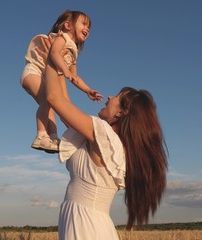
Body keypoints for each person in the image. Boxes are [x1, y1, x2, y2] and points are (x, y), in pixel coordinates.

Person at [39, 38, 168, 239]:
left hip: (87, 226)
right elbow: (63, 105)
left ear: (121, 113)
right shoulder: (109, 143)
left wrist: (51, 56)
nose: (109, 97)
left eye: (116, 97)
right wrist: (64, 66)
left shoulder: (104, 135)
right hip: (88, 222)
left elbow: (54, 99)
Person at [20, 10, 103, 154]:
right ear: (67, 25)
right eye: (83, 24)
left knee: (52, 105)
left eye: (89, 26)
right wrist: (65, 70)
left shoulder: (73, 51)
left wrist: (87, 90)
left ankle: (52, 137)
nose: (87, 28)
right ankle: (41, 135)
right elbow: (54, 54)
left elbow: (74, 76)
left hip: (43, 77)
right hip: (33, 72)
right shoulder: (62, 38)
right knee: (48, 101)